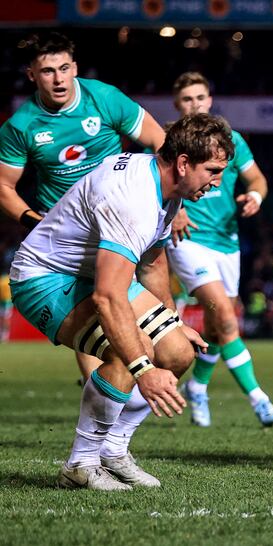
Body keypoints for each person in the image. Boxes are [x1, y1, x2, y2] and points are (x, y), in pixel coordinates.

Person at [9, 114, 233, 490]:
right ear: (182, 163)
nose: (218, 181)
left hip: (91, 275)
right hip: (43, 278)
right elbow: (108, 296)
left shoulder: (167, 188)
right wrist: (143, 370)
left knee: (177, 352)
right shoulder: (133, 200)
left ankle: (113, 449)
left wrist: (173, 321)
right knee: (131, 351)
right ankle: (80, 463)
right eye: (212, 170)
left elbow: (152, 262)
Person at [0, 32, 165, 380]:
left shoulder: (103, 98)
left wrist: (171, 204)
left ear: (74, 67)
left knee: (154, 274)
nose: (58, 79)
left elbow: (158, 140)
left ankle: (167, 350)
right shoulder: (21, 126)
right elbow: (3, 186)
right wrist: (32, 220)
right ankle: (100, 389)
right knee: (94, 309)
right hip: (67, 233)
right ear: (32, 74)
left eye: (63, 68)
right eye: (47, 71)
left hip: (119, 216)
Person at [166, 72, 273, 427]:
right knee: (227, 319)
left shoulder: (232, 141)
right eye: (187, 99)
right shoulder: (168, 143)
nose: (195, 104)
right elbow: (153, 182)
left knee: (218, 328)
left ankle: (198, 388)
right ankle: (260, 400)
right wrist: (175, 209)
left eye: (200, 97)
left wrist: (256, 196)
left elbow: (258, 179)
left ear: (210, 100)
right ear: (177, 105)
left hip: (228, 243)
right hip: (189, 242)